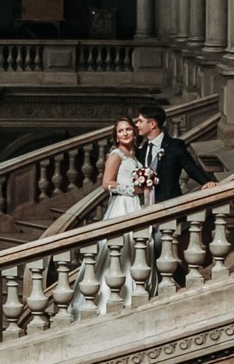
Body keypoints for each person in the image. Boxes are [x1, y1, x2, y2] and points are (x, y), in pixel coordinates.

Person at [70, 116, 151, 315]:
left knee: (136, 246)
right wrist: (131, 189)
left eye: (128, 129)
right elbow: (106, 183)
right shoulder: (116, 154)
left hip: (135, 204)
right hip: (123, 203)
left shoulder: (135, 156)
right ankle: (109, 299)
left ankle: (133, 294)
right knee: (120, 246)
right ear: (116, 136)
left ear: (134, 131)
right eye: (120, 131)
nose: (125, 133)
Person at [133, 102, 217, 202]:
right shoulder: (142, 149)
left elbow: (191, 168)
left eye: (140, 121)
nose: (137, 125)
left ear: (152, 124)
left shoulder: (174, 146)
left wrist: (207, 182)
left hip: (170, 204)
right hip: (145, 204)